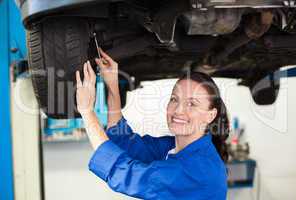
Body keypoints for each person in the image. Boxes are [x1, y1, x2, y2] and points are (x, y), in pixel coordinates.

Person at [75, 50, 229, 200]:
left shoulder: (199, 170)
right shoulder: (175, 147)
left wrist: (87, 111)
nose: (179, 110)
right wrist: (112, 82)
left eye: (192, 104)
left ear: (211, 115)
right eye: (174, 99)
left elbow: (127, 175)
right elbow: (124, 141)